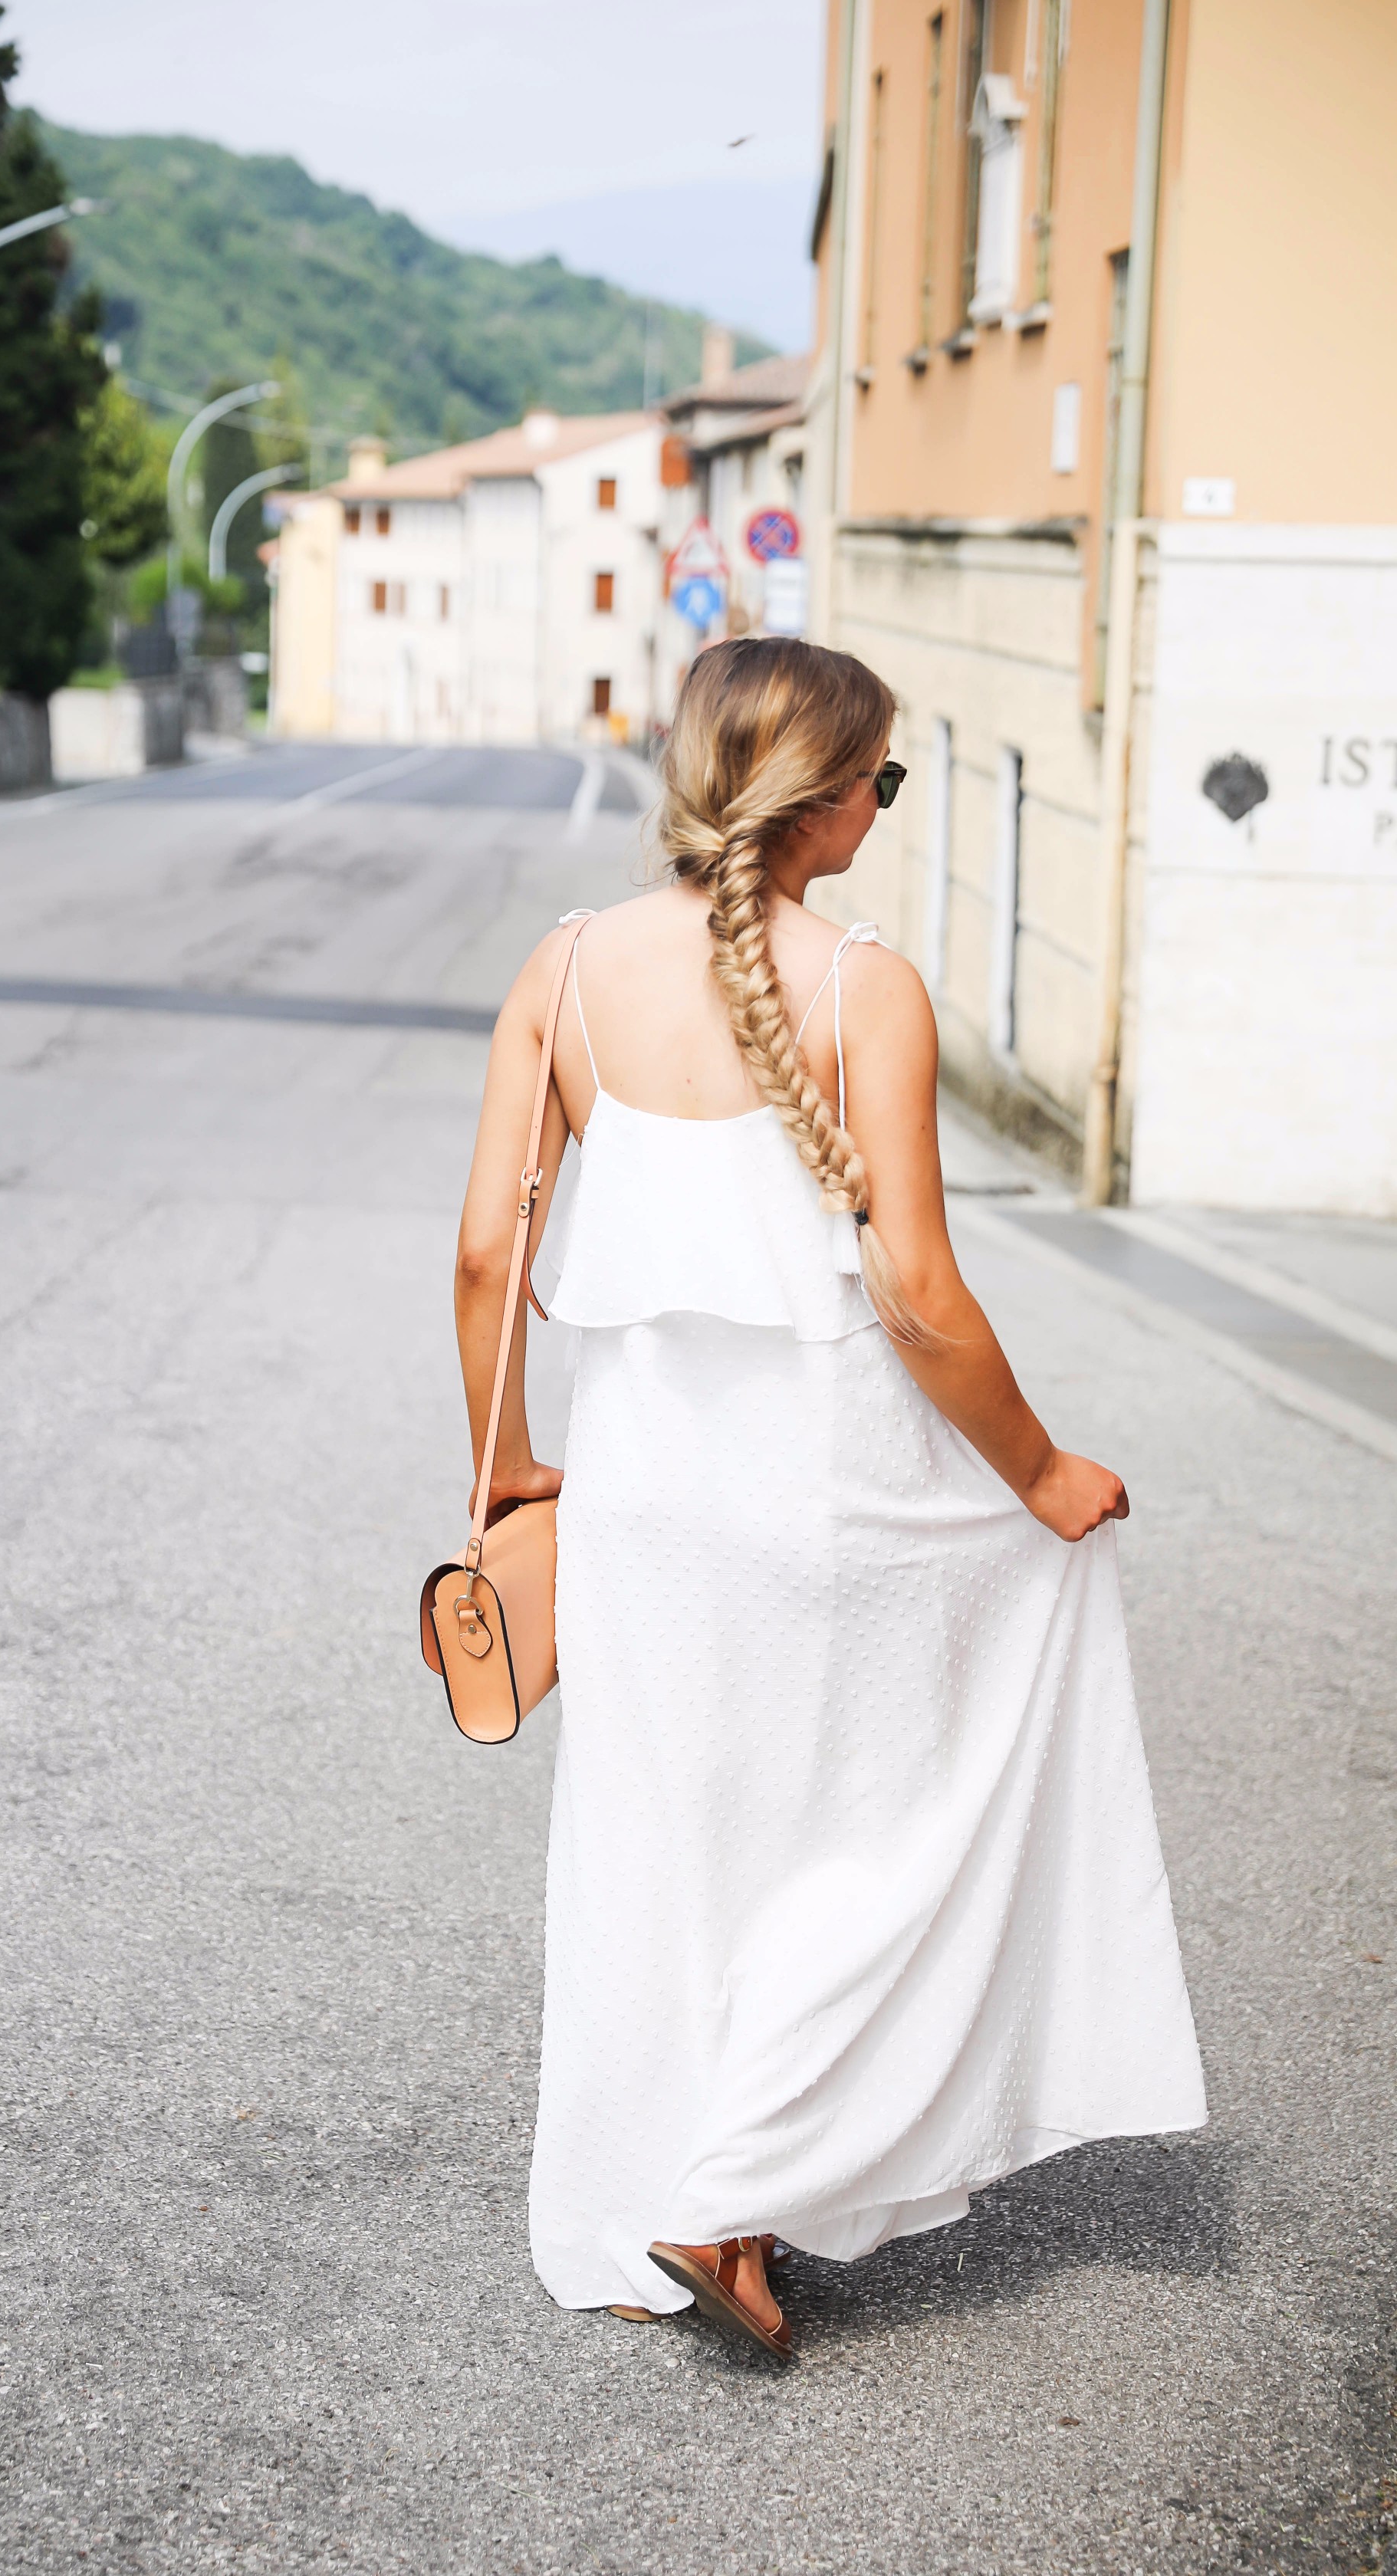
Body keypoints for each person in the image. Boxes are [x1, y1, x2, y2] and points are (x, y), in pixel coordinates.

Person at [452, 637, 1205, 2361]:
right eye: (887, 778)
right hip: (831, 1495)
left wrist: (505, 1476)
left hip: (642, 1493)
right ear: (826, 798)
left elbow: (490, 1252)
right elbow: (918, 1301)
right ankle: (732, 2192)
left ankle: (667, 2176)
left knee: (664, 1840)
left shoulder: (563, 974)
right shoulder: (865, 986)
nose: (888, 805)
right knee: (897, 1824)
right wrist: (1042, 1473)